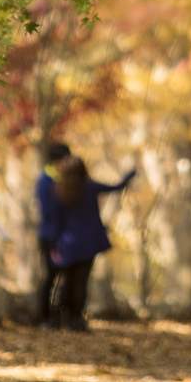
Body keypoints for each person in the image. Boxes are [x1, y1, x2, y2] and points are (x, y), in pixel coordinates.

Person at [49, 155, 136, 331]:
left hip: (68, 244)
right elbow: (116, 187)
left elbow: (56, 222)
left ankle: (60, 317)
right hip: (88, 244)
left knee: (67, 281)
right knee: (80, 282)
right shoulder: (89, 187)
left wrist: (53, 245)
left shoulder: (59, 191)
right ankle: (75, 319)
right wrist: (131, 173)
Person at [36, 142, 71, 326]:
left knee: (61, 277)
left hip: (59, 235)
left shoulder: (56, 179)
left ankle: (56, 316)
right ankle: (44, 317)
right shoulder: (47, 181)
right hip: (50, 236)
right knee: (50, 276)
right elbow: (49, 212)